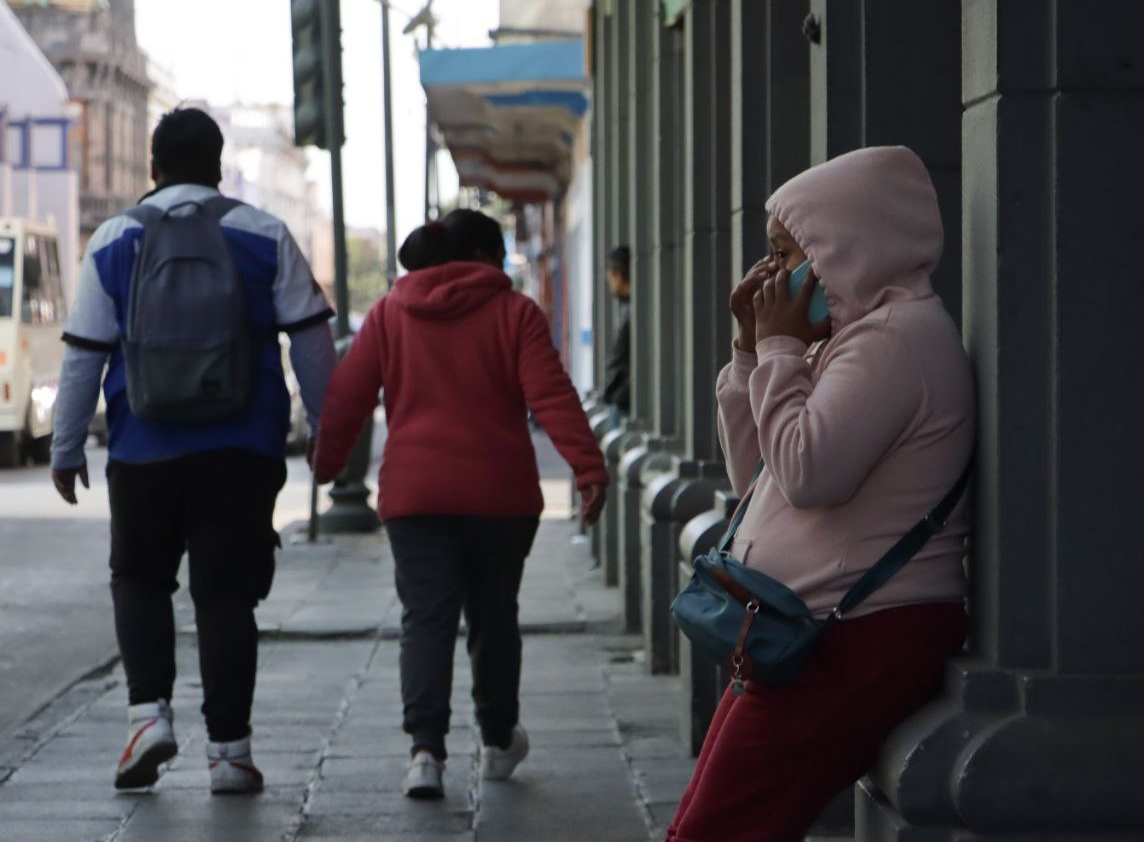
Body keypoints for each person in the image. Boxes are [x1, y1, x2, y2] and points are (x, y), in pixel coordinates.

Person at [666, 146, 975, 841]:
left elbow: (808, 474)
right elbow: (759, 480)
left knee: (718, 829)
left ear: (847, 248)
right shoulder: (848, 336)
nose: (773, 273)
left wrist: (779, 353)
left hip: (857, 633)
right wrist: (752, 352)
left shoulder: (896, 339)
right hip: (805, 632)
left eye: (788, 251)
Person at [50, 107, 336, 794]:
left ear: (153, 167)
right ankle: (231, 753)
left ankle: (148, 716)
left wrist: (65, 447)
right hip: (243, 448)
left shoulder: (114, 238)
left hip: (144, 448)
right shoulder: (262, 232)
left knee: (140, 578)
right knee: (227, 595)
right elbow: (311, 341)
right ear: (216, 165)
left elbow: (84, 355)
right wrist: (330, 429)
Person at [312, 209, 608, 799]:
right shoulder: (515, 313)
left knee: (426, 616)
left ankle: (425, 752)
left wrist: (326, 464)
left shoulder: (389, 313)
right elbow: (550, 393)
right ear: (482, 256)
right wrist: (587, 466)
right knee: (494, 616)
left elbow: (347, 394)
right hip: (500, 496)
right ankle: (498, 740)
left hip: (415, 496)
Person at [601, 245, 631, 420]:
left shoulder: (632, 312)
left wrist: (618, 396)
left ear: (619, 274)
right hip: (619, 400)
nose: (608, 280)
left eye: (610, 274)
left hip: (623, 405)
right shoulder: (626, 308)